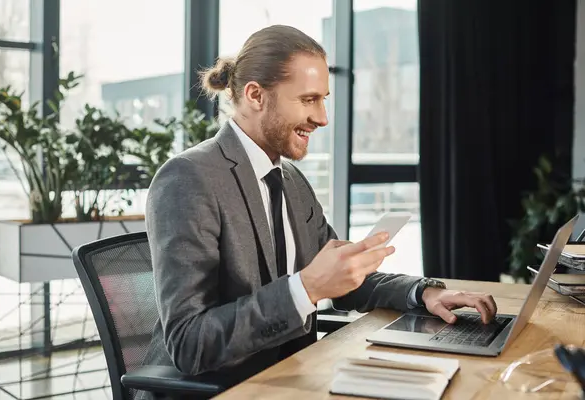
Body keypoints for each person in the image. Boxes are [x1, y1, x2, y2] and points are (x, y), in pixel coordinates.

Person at [140, 24, 497, 397]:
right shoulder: (188, 179)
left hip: (294, 377)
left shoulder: (289, 179)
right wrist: (306, 288)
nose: (323, 118)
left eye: (323, 99)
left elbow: (338, 278)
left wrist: (423, 294)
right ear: (255, 95)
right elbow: (189, 343)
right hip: (223, 389)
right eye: (309, 100)